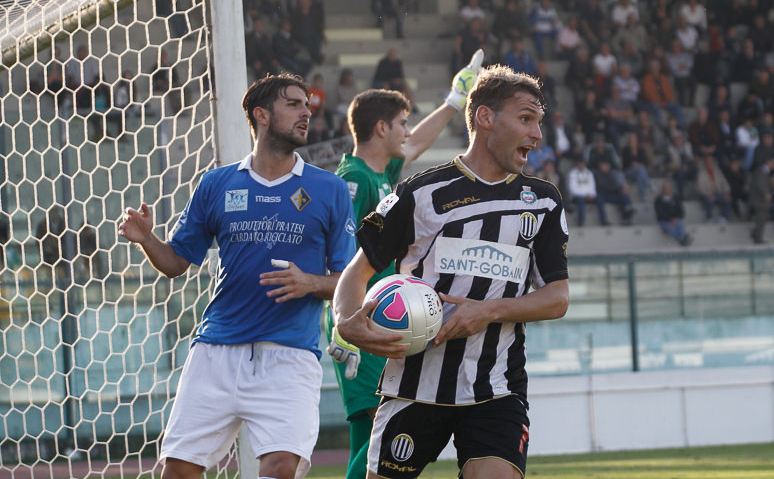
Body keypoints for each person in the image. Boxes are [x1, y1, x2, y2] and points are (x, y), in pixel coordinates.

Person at [333, 65, 569, 479]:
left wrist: (489, 310)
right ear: (485, 118)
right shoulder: (419, 193)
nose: (537, 134)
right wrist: (345, 324)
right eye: (526, 119)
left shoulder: (542, 202)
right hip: (413, 384)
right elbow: (356, 272)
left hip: (495, 386)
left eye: (539, 122)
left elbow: (557, 297)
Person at [118, 74, 356, 479]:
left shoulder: (330, 189)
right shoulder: (216, 183)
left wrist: (312, 283)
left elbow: (350, 280)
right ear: (262, 115)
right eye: (294, 104)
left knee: (281, 467)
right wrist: (146, 239)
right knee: (177, 470)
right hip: (215, 351)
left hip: (289, 356)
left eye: (306, 104)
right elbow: (176, 262)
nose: (307, 111)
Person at [325, 52, 483, 479]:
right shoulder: (352, 181)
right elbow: (340, 261)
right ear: (381, 128)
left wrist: (455, 98)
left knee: (368, 427)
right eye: (401, 124)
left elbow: (416, 144)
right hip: (361, 315)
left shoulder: (383, 170)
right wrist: (313, 286)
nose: (407, 132)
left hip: (383, 307)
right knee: (382, 418)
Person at [655, 181, 692, 246]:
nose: (667, 190)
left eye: (668, 188)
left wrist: (676, 218)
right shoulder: (658, 200)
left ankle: (682, 239)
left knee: (680, 225)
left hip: (676, 219)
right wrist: (669, 219)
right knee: (670, 228)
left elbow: (681, 210)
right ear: (663, 189)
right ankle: (682, 239)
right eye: (665, 189)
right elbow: (660, 212)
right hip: (664, 220)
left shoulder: (676, 198)